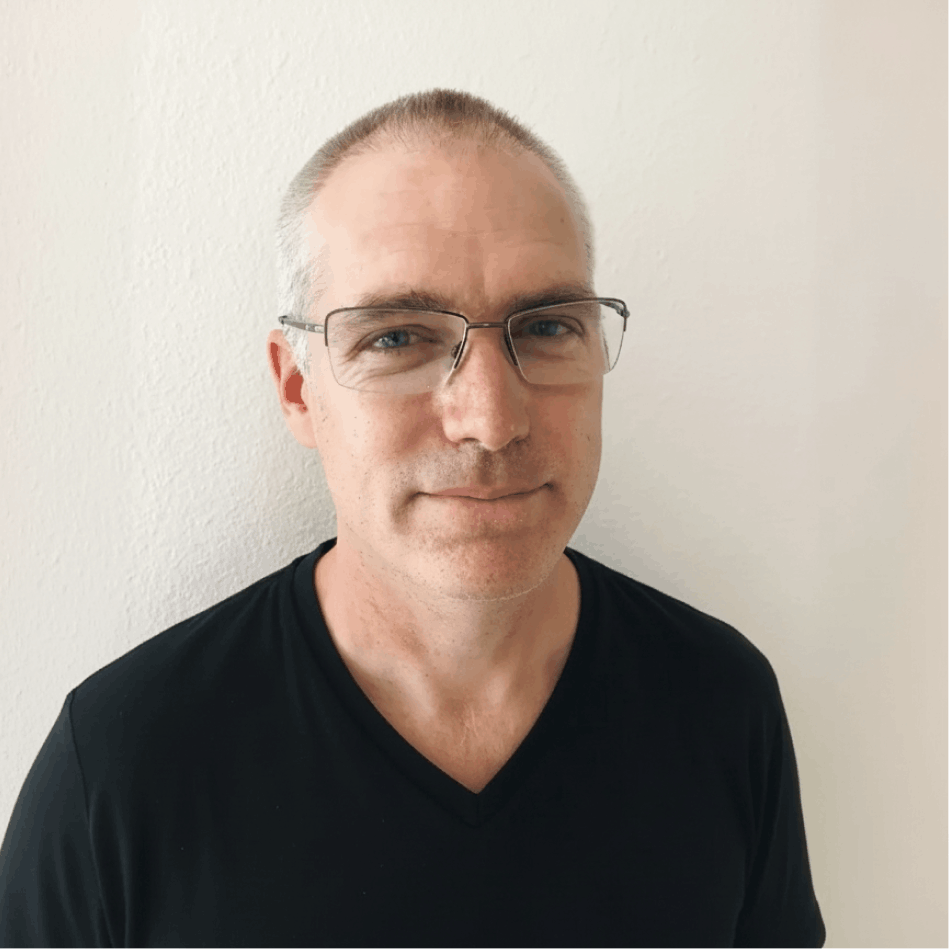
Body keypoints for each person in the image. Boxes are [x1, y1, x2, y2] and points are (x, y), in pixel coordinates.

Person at [0, 89, 825, 947]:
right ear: (298, 389)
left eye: (546, 326)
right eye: (397, 337)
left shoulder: (720, 704)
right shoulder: (124, 765)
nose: (490, 419)